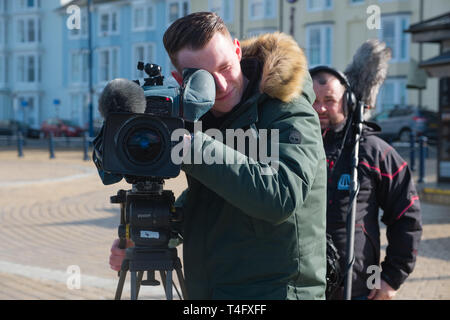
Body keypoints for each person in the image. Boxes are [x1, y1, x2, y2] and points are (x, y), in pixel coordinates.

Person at [108, 12, 327, 300]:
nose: (222, 85)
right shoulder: (202, 117)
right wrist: (151, 232)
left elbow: (280, 196)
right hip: (212, 289)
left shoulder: (288, 110)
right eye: (205, 79)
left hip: (277, 291)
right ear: (180, 79)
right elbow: (213, 200)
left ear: (237, 50)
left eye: (225, 68)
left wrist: (194, 149)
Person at [309, 66, 423, 300]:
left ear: (348, 102)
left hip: (356, 288)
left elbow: (407, 215)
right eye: (312, 99)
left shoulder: (374, 152)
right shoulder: (292, 148)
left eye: (329, 100)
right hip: (300, 287)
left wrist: (391, 277)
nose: (320, 107)